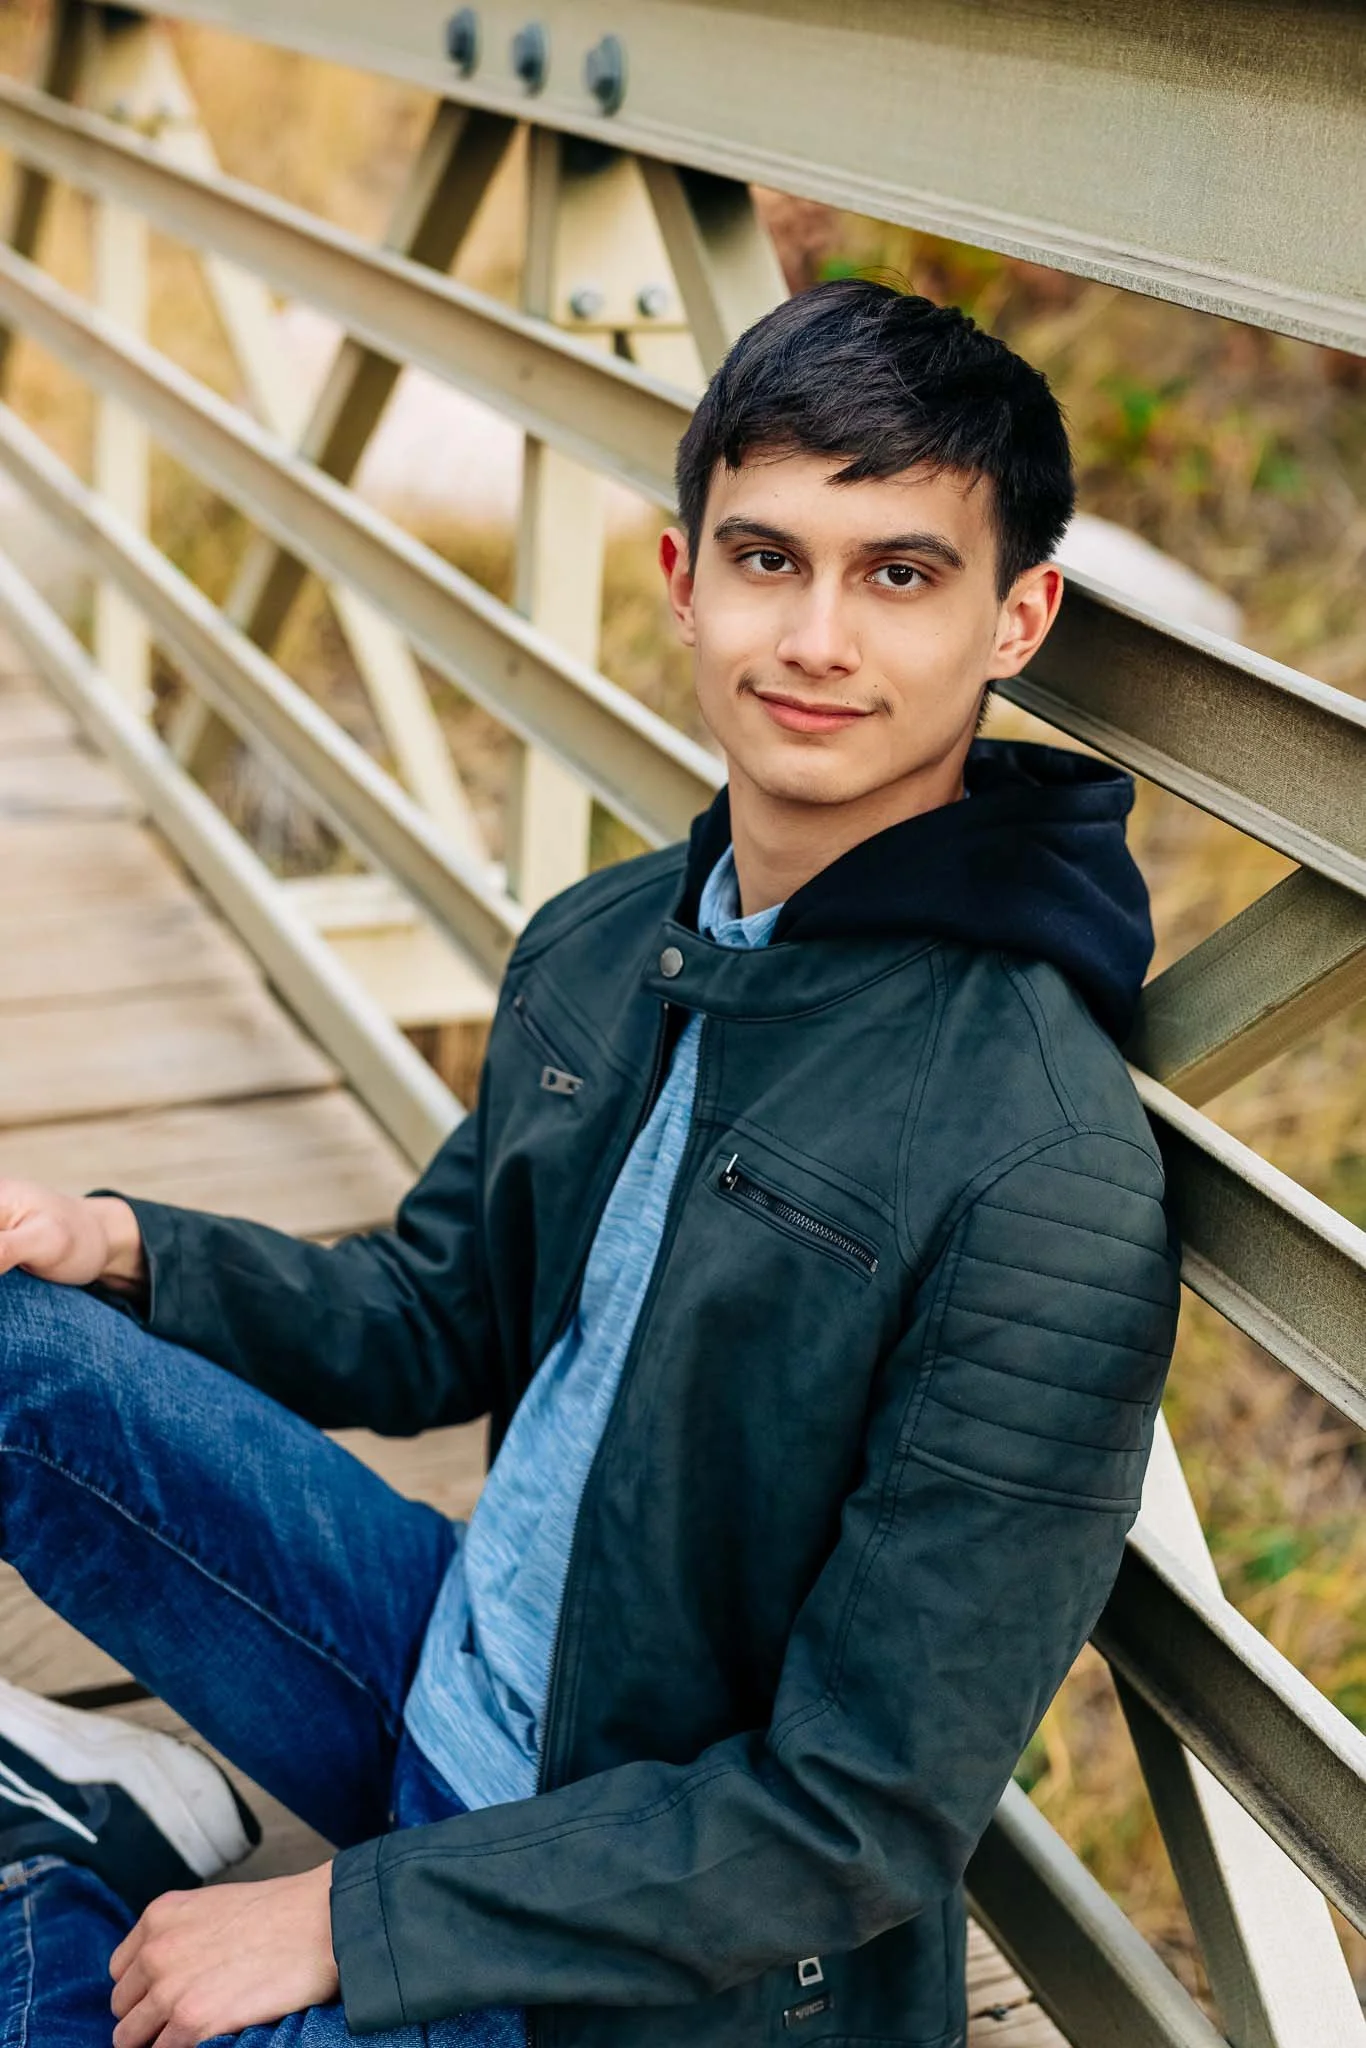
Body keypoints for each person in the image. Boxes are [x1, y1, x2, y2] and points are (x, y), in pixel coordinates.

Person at [0, 278, 1180, 2048]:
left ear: (1017, 619)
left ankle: (65, 1887)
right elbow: (432, 1316)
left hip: (648, 1961)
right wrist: (118, 1244)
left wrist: (352, 1910)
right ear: (680, 578)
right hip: (440, 1672)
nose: (816, 641)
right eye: (768, 559)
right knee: (13, 1334)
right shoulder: (610, 939)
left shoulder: (1040, 1166)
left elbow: (847, 1818)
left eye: (900, 575)